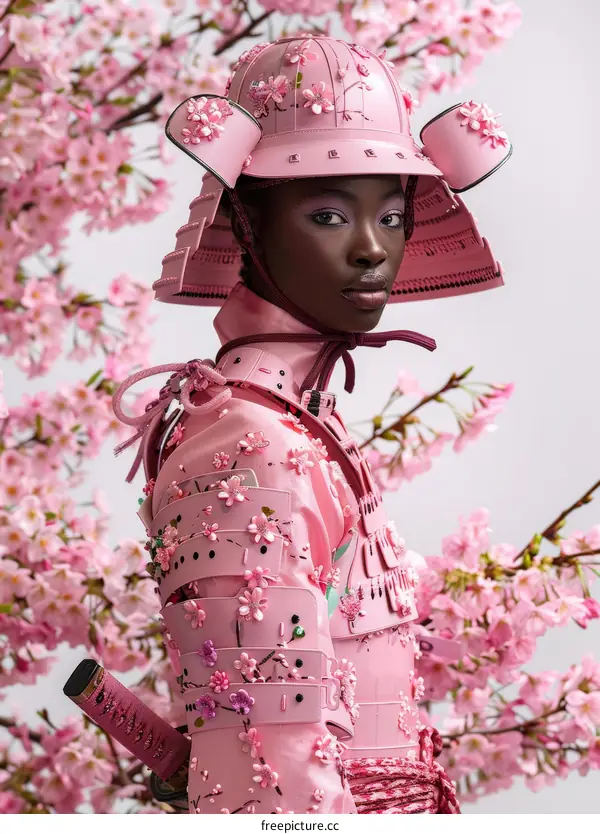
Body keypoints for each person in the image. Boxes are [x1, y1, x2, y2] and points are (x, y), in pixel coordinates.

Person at [112, 35, 510, 814]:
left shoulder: (292, 425)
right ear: (245, 222)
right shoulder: (250, 444)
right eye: (329, 213)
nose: (372, 251)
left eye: (393, 216)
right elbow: (274, 787)